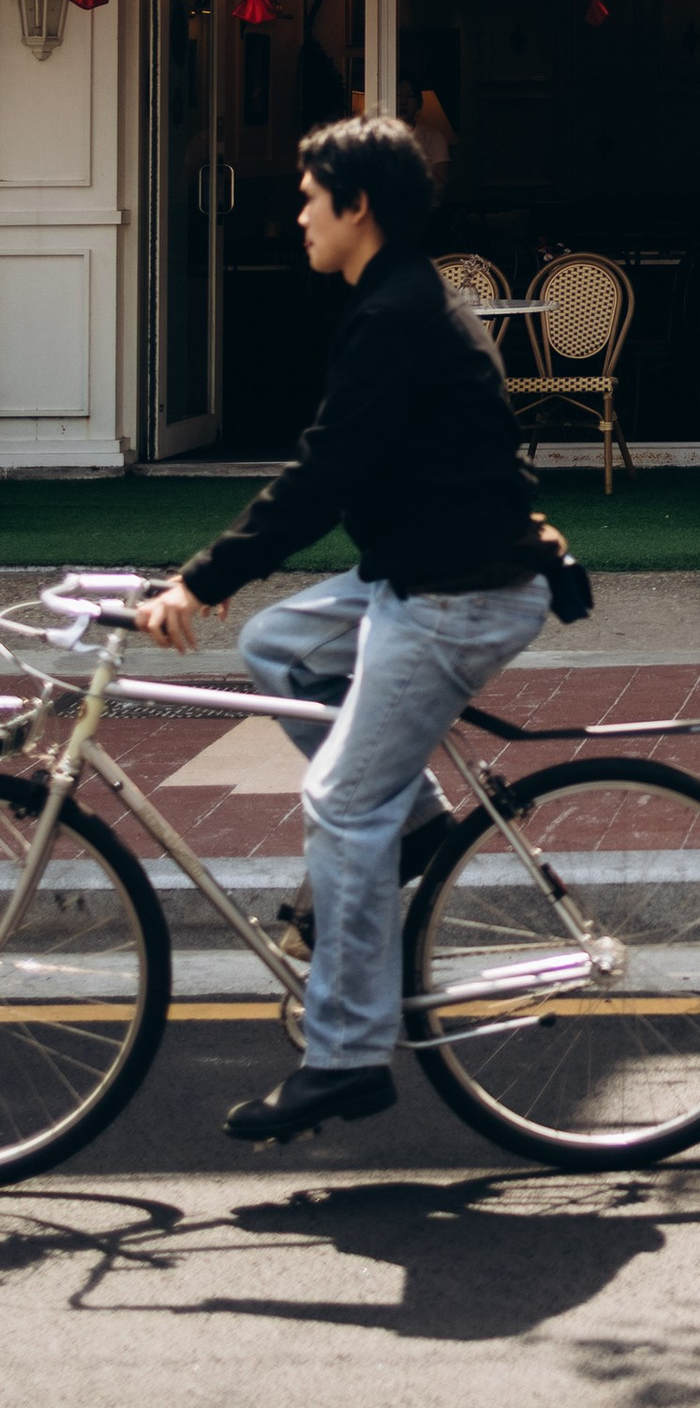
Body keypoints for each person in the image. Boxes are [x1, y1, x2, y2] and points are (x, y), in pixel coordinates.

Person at [134, 114, 560, 1148]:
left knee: (338, 806)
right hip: (418, 573)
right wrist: (228, 582)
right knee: (283, 649)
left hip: (460, 593)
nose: (297, 214)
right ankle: (414, 824)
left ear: (356, 204)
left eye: (307, 195)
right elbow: (343, 468)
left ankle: (346, 1056)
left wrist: (201, 578)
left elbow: (326, 475)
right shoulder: (396, 298)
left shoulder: (398, 313)